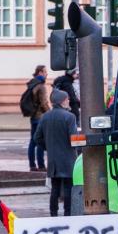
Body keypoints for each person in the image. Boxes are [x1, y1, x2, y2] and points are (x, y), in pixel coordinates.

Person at [33, 89, 78, 217]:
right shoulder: (70, 117)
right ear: (62, 101)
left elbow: (37, 138)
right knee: (69, 188)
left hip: (53, 159)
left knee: (55, 188)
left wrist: (48, 147)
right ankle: (67, 214)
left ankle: (53, 214)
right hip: (68, 158)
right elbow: (74, 139)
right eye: (67, 99)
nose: (69, 100)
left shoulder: (45, 116)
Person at [24, 65, 50, 172]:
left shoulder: (32, 84)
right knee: (40, 141)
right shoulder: (41, 86)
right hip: (40, 117)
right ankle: (41, 165)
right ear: (40, 72)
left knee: (32, 141)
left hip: (33, 116)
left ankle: (32, 165)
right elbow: (44, 103)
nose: (46, 74)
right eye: (45, 72)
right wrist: (50, 113)